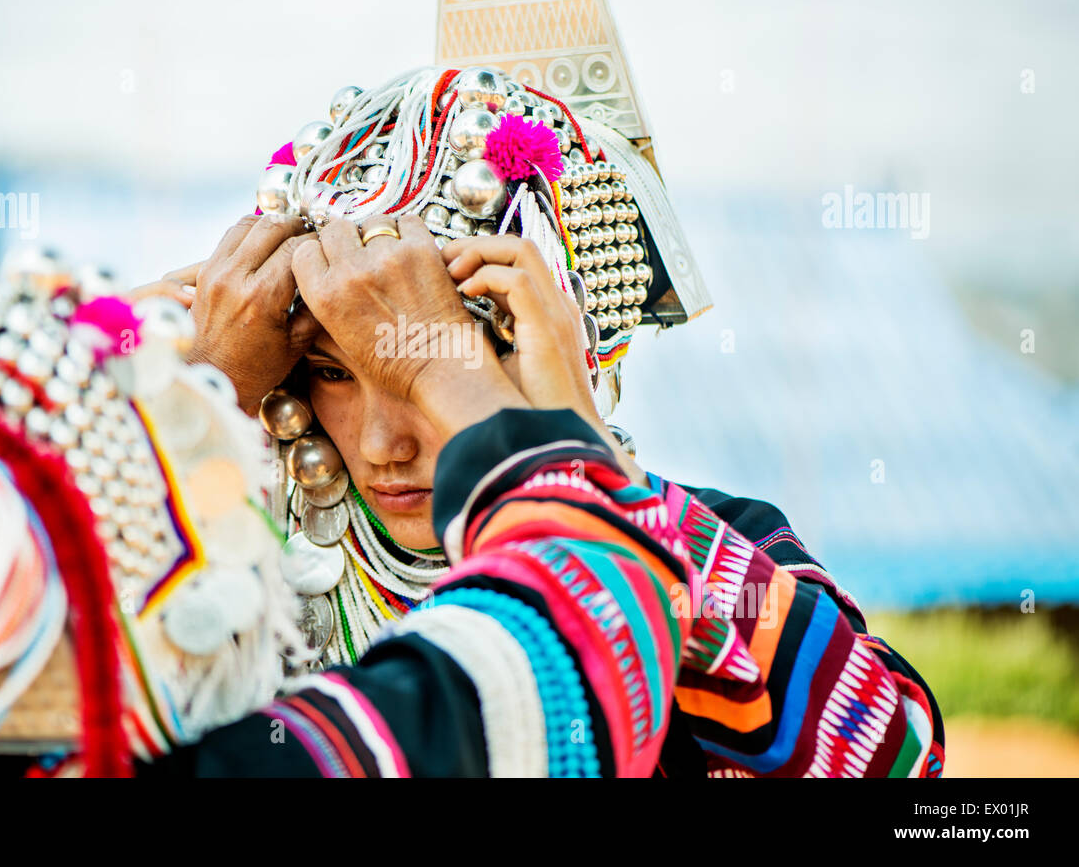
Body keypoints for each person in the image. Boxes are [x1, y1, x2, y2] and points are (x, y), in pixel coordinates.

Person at [134, 65, 945, 777]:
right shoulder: (238, 570)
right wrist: (175, 402)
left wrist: (568, 459)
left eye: (446, 367)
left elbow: (892, 753)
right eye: (334, 373)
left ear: (555, 339)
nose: (386, 442)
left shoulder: (711, 540)